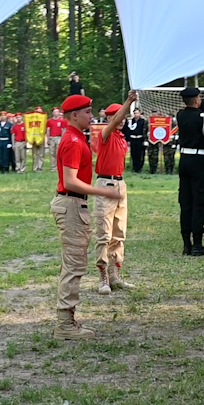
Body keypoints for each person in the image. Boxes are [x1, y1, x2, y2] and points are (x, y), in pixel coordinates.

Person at [52, 92, 123, 337]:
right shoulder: (72, 141)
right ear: (74, 115)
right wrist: (101, 191)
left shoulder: (75, 138)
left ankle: (67, 320)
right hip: (71, 203)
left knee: (74, 263)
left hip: (74, 205)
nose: (92, 116)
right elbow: (70, 181)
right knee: (73, 265)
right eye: (87, 112)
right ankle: (64, 325)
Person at [93, 95, 138, 295]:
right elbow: (113, 122)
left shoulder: (120, 137)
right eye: (118, 117)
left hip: (119, 184)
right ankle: (102, 277)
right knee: (104, 233)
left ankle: (115, 275)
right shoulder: (105, 134)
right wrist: (128, 102)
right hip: (105, 184)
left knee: (119, 233)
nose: (122, 120)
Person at [175, 85, 204, 255]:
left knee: (185, 201)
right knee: (200, 201)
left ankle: (186, 243)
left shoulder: (181, 115)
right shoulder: (203, 118)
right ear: (196, 99)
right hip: (199, 160)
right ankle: (197, 244)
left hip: (184, 160)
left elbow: (195, 112)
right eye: (200, 98)